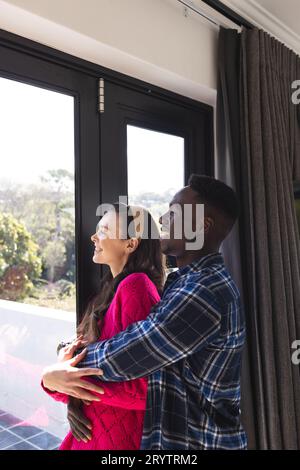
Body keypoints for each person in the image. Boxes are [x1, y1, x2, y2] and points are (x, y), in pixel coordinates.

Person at [42, 174, 248, 450]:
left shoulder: (203, 293)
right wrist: (64, 365)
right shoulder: (185, 282)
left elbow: (131, 352)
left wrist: (62, 371)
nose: (162, 220)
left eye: (174, 213)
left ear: (200, 226)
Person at [41, 203, 164, 449]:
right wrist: (57, 380)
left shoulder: (136, 287)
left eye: (105, 230)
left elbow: (147, 388)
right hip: (98, 435)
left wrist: (55, 379)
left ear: (131, 243)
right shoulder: (113, 290)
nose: (94, 236)